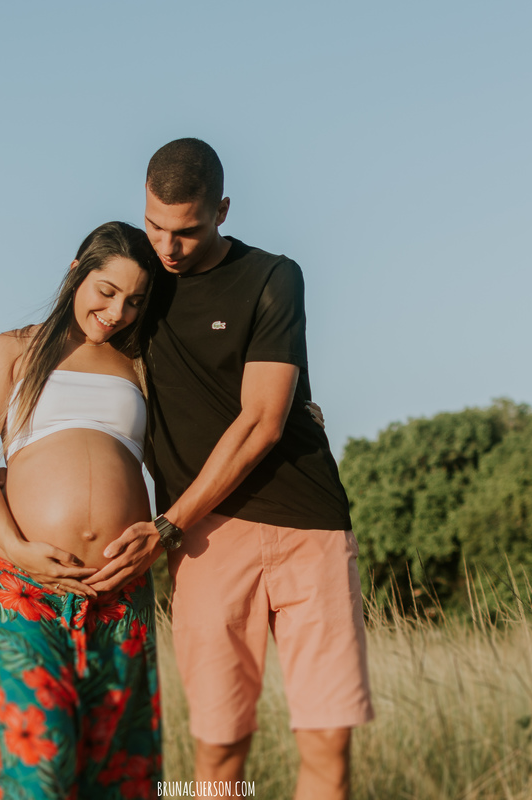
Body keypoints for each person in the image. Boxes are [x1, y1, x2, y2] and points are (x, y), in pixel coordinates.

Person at [86, 139, 374, 800]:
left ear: (221, 210)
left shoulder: (274, 276)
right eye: (155, 225)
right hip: (206, 541)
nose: (168, 246)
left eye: (186, 231)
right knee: (218, 749)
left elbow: (263, 420)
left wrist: (166, 525)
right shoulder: (141, 282)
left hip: (306, 526)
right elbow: (77, 338)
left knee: (327, 739)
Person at [0, 221, 163, 800]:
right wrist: (17, 545)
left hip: (117, 592)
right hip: (21, 584)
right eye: (107, 291)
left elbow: (182, 459)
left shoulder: (140, 365)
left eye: (134, 301)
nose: (117, 311)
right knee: (37, 772)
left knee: (111, 774)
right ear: (78, 271)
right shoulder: (13, 349)